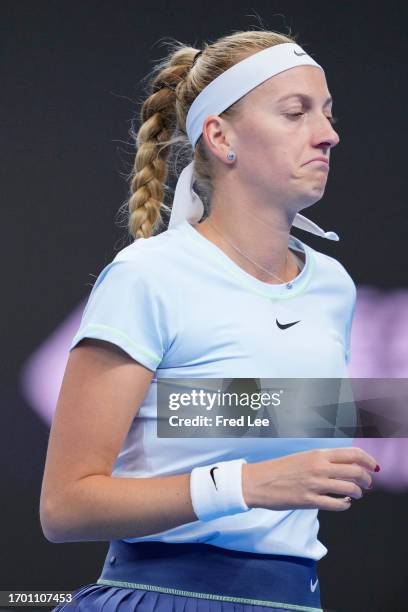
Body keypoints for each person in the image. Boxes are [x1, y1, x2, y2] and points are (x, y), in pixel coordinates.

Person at [40, 28, 380, 612]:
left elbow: (237, 410)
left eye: (326, 113)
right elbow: (65, 507)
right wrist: (245, 485)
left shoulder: (333, 287)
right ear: (221, 137)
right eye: (296, 112)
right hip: (161, 597)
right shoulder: (147, 277)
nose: (328, 135)